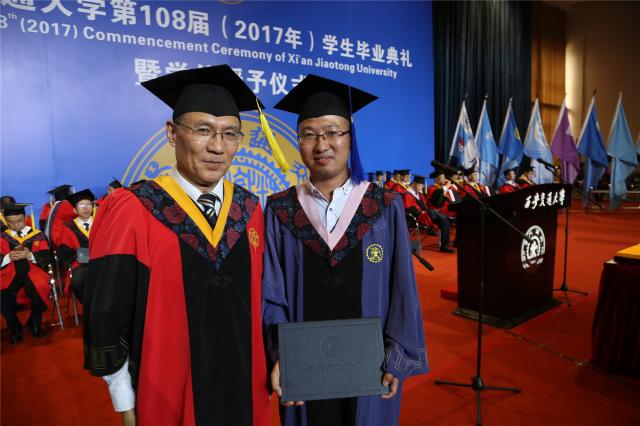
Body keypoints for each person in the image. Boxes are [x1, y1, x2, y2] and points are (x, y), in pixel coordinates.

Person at [83, 65, 272, 426]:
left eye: (230, 134)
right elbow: (107, 309)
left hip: (245, 383)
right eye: (203, 130)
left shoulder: (249, 208)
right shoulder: (135, 207)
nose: (217, 147)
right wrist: (123, 397)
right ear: (172, 133)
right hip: (168, 389)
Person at [265, 74, 428, 426]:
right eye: (308, 134)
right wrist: (281, 355)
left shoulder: (384, 205)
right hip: (304, 369)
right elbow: (272, 294)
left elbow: (402, 288)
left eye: (332, 132)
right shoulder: (280, 210)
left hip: (370, 366)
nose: (321, 144)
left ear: (350, 137)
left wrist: (397, 353)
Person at [1, 202, 50, 343]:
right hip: (9, 274)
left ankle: (35, 322)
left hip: (33, 272)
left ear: (25, 217)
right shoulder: (2, 237)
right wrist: (8, 257)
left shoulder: (37, 235)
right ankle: (14, 326)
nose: (16, 225)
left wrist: (31, 255)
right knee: (2, 296)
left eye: (19, 220)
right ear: (6, 221)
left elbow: (48, 257)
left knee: (40, 288)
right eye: (11, 222)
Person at [52, 189, 95, 302]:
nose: (85, 208)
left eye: (88, 204)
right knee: (77, 281)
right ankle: (88, 305)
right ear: (75, 210)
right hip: (82, 264)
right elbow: (64, 252)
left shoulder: (101, 222)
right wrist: (84, 256)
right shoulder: (68, 226)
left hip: (105, 261)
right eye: (81, 205)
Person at [407, 175, 453, 253]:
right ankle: (447, 218)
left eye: (422, 186)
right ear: (414, 184)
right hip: (417, 217)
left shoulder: (419, 194)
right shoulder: (407, 194)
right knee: (433, 212)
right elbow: (409, 209)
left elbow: (426, 205)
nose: (421, 188)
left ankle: (444, 246)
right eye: (420, 186)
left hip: (426, 215)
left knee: (445, 221)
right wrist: (422, 212)